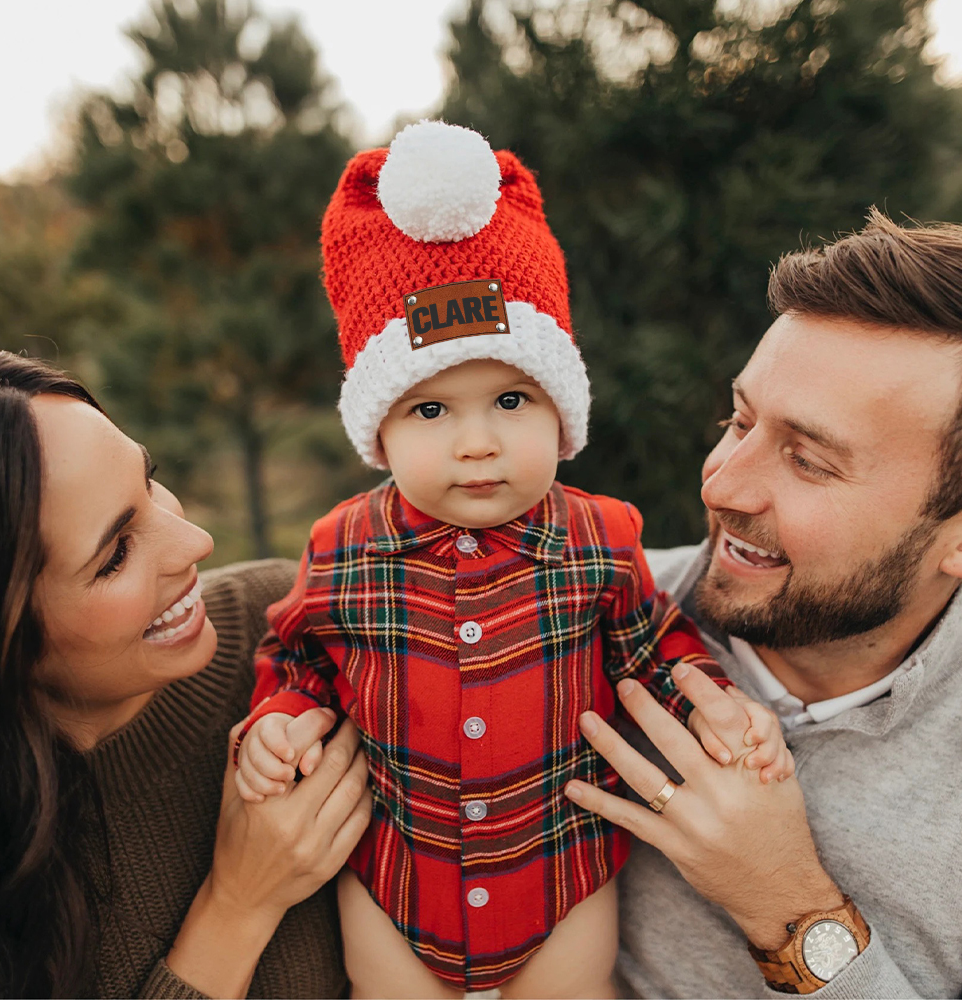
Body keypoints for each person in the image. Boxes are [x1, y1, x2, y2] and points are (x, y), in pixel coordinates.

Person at [233, 121, 792, 999]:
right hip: (399, 872)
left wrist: (716, 705)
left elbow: (654, 651)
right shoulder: (342, 547)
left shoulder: (600, 537)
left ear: (559, 409)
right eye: (430, 411)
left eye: (509, 400)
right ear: (378, 429)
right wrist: (279, 720)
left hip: (559, 864)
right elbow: (301, 658)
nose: (477, 442)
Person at [565, 210, 962, 998]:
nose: (722, 485)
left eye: (809, 461)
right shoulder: (576, 616)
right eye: (738, 421)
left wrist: (787, 903)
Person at [0, 348, 371, 998]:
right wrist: (237, 906)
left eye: (149, 482)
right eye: (115, 554)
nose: (196, 542)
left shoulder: (295, 626)